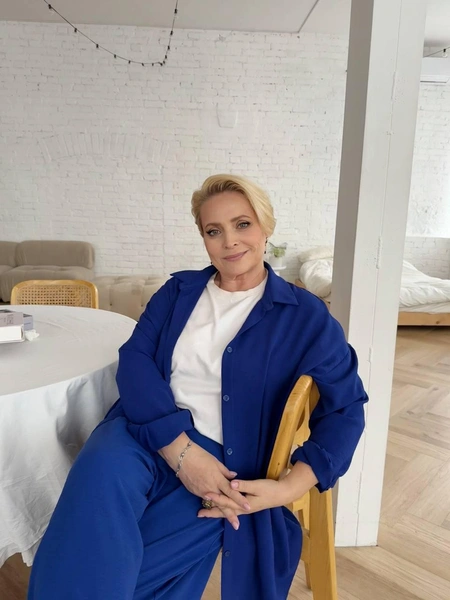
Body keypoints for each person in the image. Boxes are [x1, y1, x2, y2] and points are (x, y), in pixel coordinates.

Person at [28, 174, 368, 600]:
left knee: (113, 572)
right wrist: (179, 451)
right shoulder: (178, 292)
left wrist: (288, 487)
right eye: (214, 230)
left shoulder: (305, 315)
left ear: (266, 226)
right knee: (98, 479)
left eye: (242, 224)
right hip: (142, 434)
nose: (230, 241)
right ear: (203, 238)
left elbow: (346, 407)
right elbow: (135, 361)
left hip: (226, 466)